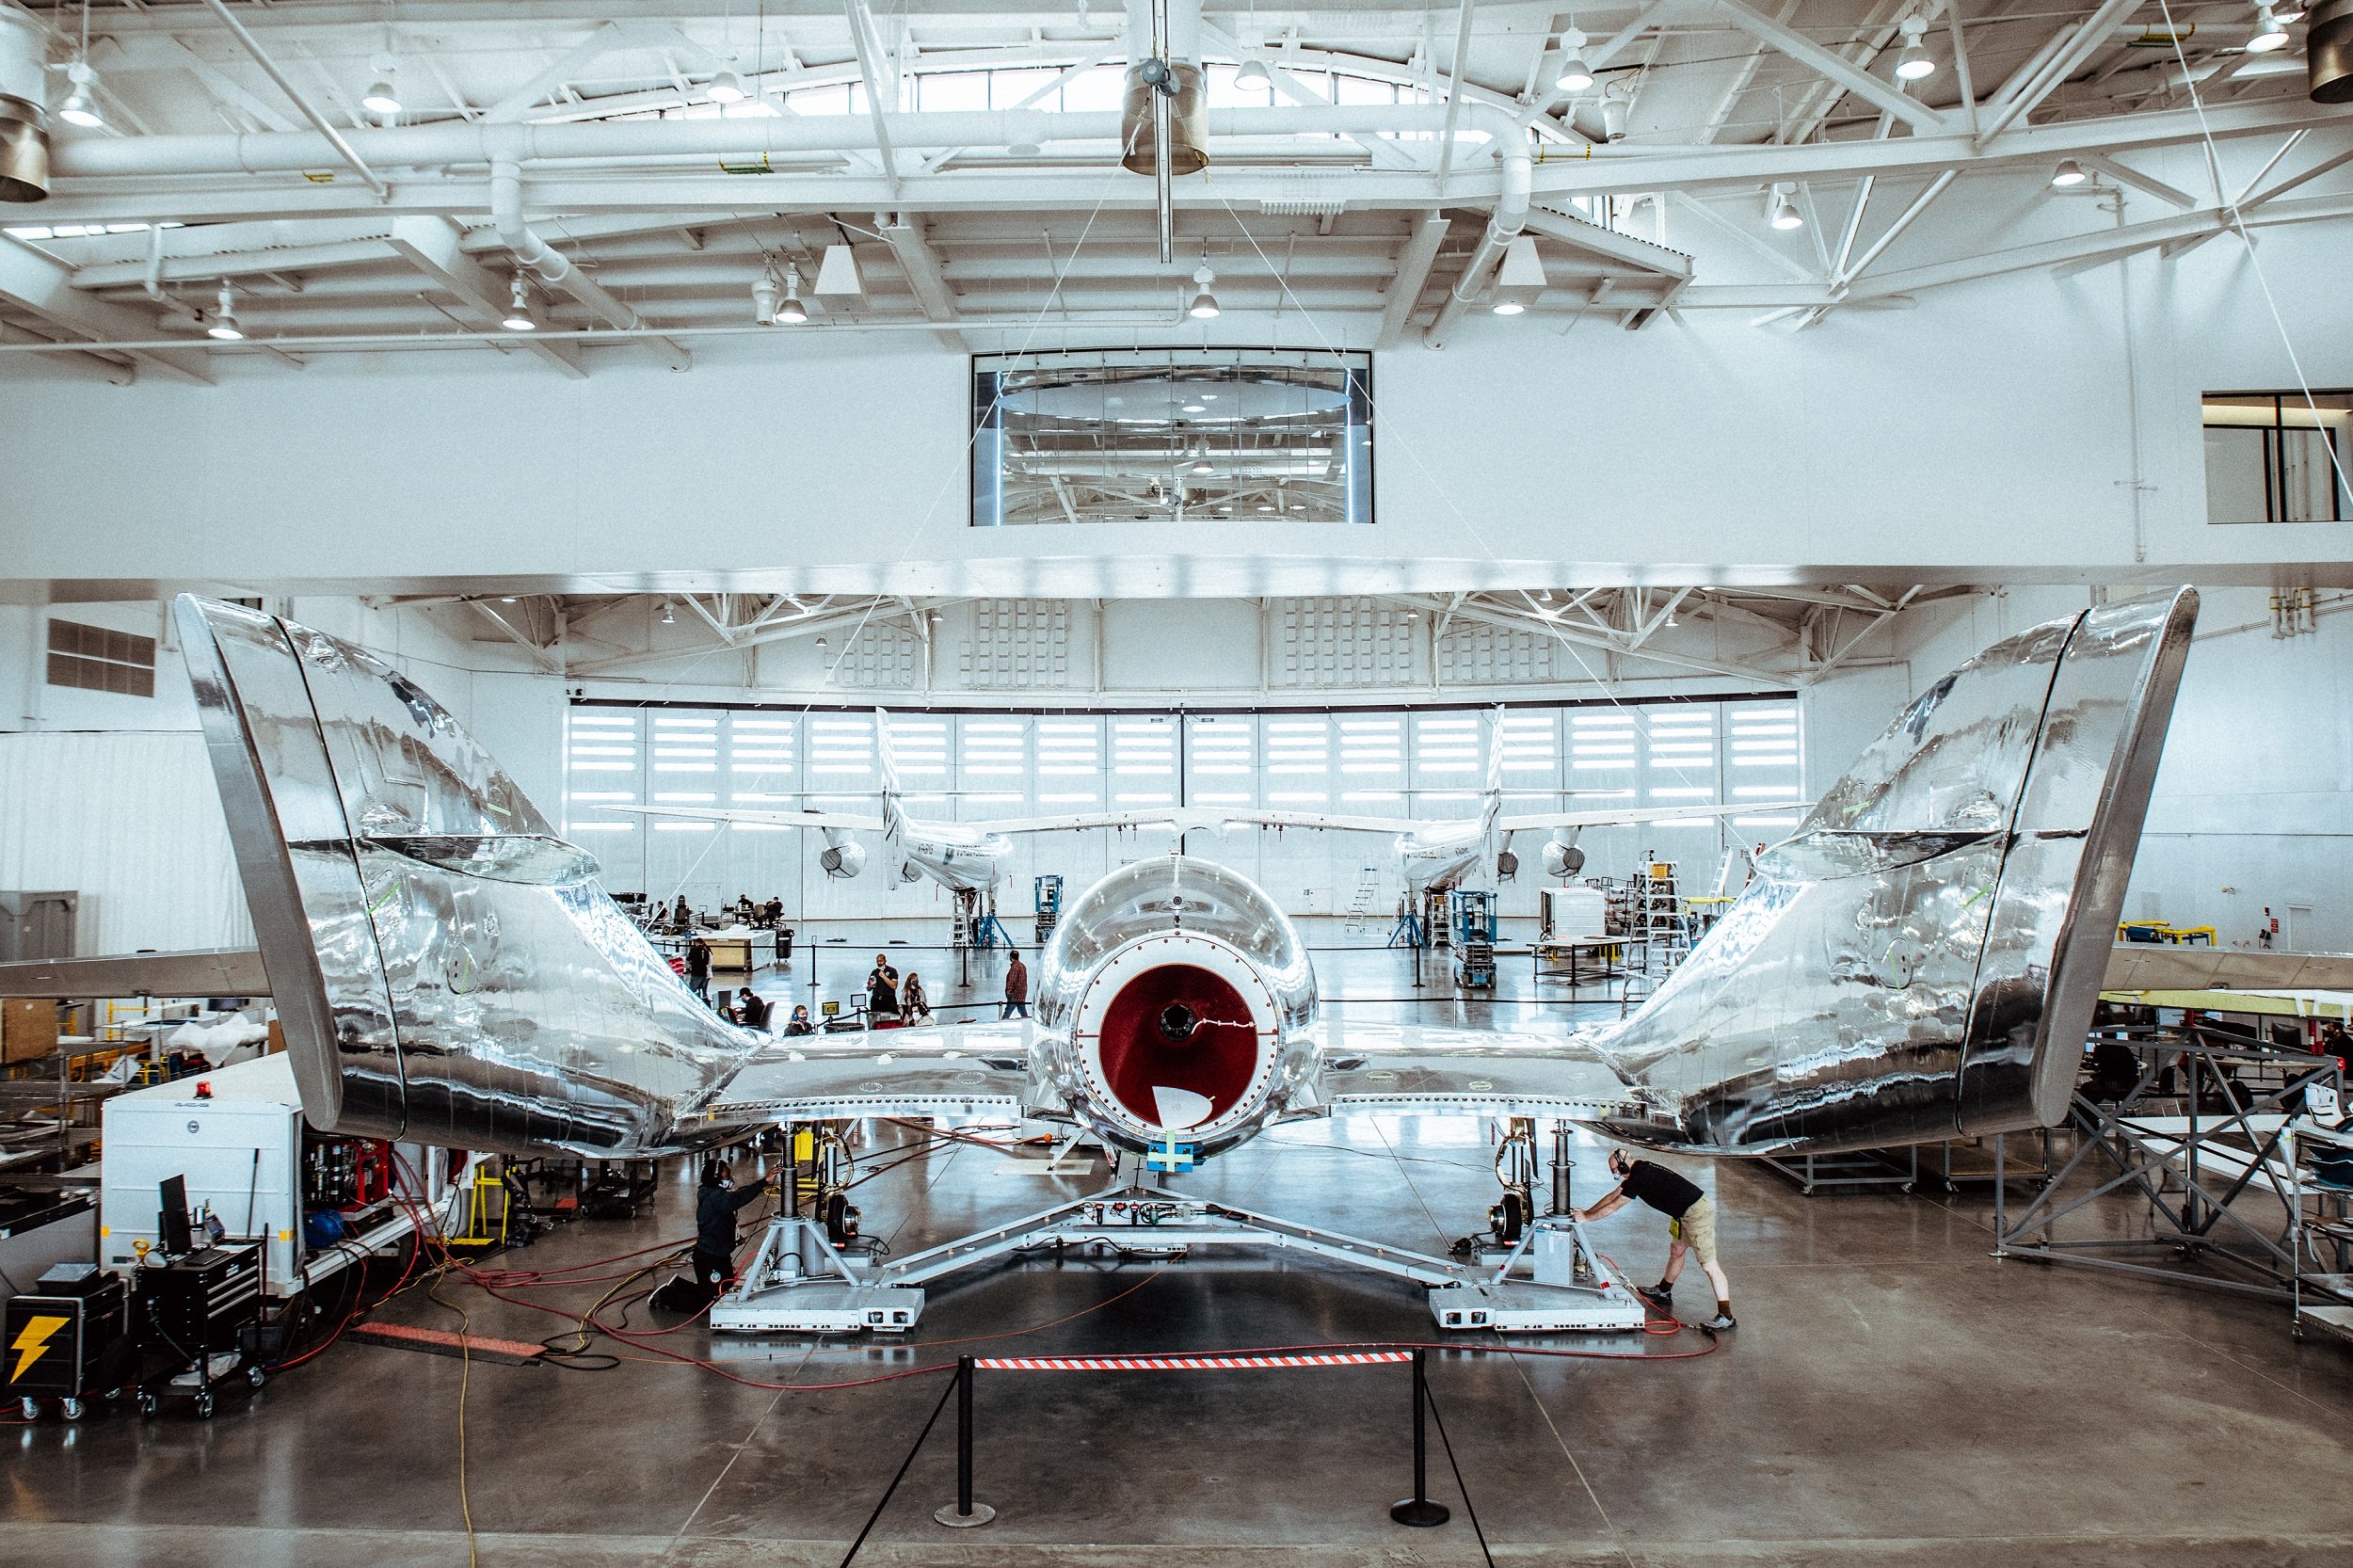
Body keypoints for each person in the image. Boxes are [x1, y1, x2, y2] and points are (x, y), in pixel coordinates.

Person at [1573, 1147, 1735, 1331]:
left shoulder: (1639, 1178)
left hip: (1697, 1213)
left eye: (1615, 1170)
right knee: (1677, 1251)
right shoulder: (1639, 1169)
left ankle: (1726, 1315)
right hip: (1683, 1213)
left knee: (1709, 1265)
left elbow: (1614, 1206)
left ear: (1624, 1166)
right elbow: (1612, 1196)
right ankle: (1663, 1291)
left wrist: (1587, 1218)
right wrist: (1586, 1212)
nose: (1614, 1174)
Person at [690, 1157, 773, 1308]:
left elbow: (734, 1198)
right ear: (716, 1178)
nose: (730, 1179)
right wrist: (764, 1181)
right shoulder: (715, 1198)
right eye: (726, 1176)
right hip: (709, 1258)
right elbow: (739, 1197)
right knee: (710, 1302)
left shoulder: (711, 1192)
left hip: (719, 1255)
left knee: (725, 1292)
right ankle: (667, 1295)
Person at [867, 952, 902, 1022]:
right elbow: (868, 988)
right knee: (876, 1020)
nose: (879, 963)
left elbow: (894, 986)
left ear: (885, 961)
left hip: (888, 999)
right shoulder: (874, 972)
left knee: (889, 1020)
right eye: (878, 961)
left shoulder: (892, 971)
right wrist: (870, 986)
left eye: (881, 961)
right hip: (876, 1000)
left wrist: (884, 976)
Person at [1002, 950, 1030, 1019]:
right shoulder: (1023, 966)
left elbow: (1011, 980)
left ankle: (1002, 1023)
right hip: (1022, 994)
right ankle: (1027, 1025)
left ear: (1011, 957)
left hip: (1014, 995)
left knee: (1007, 1012)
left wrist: (1008, 992)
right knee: (1023, 1012)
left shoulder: (1014, 967)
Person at [685, 936, 712, 1001]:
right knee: (703, 990)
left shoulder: (693, 950)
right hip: (704, 973)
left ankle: (693, 1002)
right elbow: (707, 962)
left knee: (692, 990)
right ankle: (705, 1002)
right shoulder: (706, 951)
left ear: (697, 943)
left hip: (696, 973)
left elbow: (688, 958)